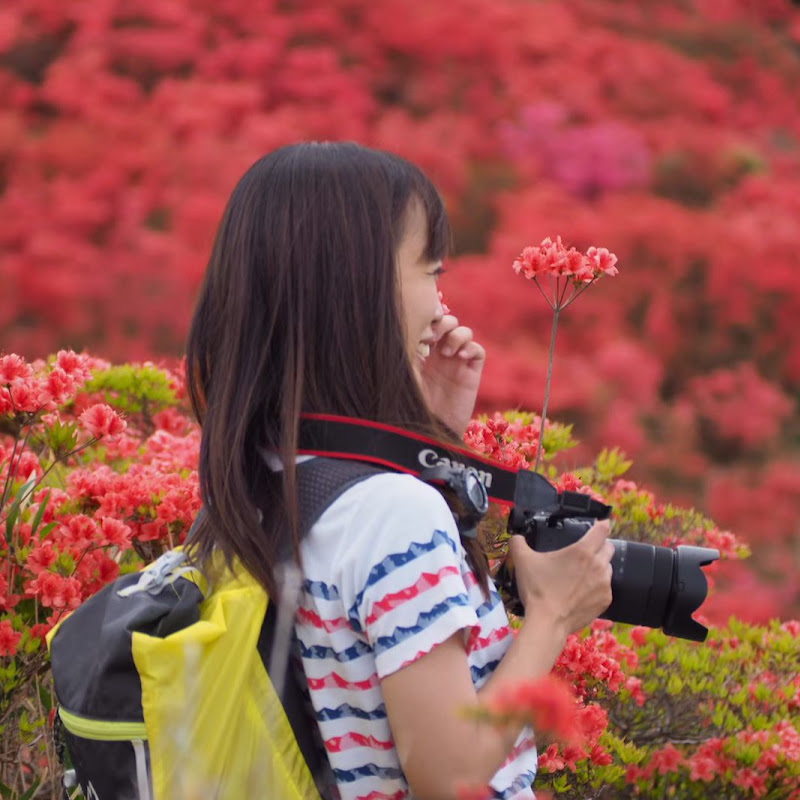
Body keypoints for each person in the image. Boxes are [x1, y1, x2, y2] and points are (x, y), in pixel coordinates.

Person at [184, 142, 613, 800]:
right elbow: (451, 775)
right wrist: (555, 614)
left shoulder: (254, 479)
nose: (441, 304)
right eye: (430, 271)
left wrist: (429, 438)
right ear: (360, 288)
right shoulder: (389, 514)